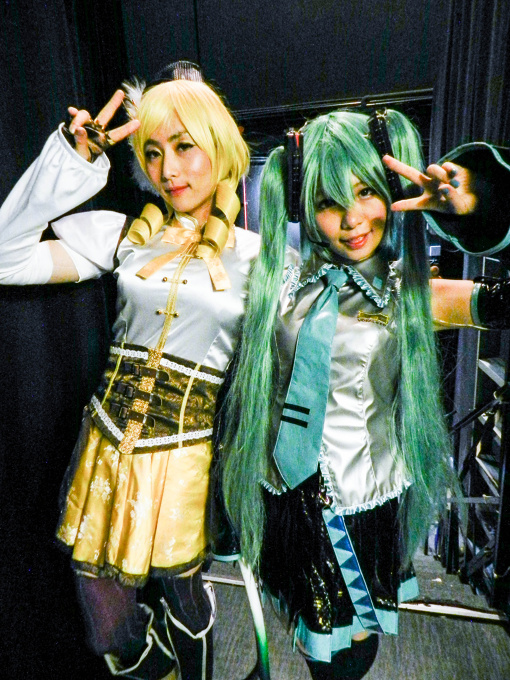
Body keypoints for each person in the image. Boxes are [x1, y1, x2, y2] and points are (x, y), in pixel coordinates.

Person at [220, 108, 510, 679]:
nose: (352, 220)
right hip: (282, 495)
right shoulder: (279, 282)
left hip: (360, 500)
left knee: (347, 649)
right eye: (328, 202)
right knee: (303, 625)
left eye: (366, 192)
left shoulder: (411, 294)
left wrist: (483, 208)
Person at [0, 62, 258, 680]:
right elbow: (6, 257)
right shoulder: (123, 236)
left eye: (185, 147)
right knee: (108, 631)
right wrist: (72, 162)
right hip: (104, 448)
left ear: (219, 146)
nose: (169, 170)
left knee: (184, 596)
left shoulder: (259, 256)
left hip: (188, 456)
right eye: (154, 152)